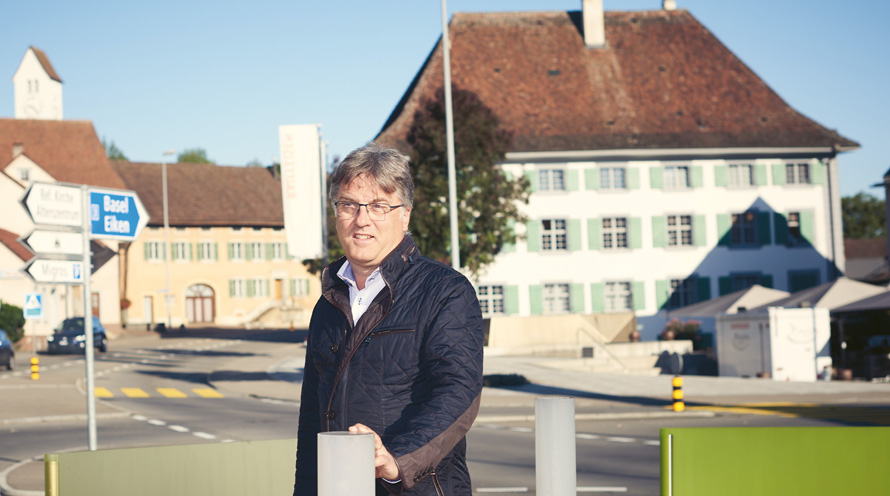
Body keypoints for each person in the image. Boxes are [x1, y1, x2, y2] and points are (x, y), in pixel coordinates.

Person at [293, 142, 484, 495]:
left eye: (379, 206)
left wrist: (397, 460)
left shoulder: (445, 292)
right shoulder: (328, 302)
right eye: (349, 204)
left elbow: (459, 392)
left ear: (405, 214)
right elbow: (311, 420)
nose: (361, 219)